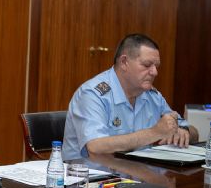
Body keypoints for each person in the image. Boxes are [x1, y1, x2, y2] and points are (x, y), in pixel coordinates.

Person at [62, 34, 198, 160]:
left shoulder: (152, 96)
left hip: (137, 178)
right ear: (124, 62)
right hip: (92, 180)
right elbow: (95, 146)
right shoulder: (92, 94)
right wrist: (155, 132)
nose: (155, 72)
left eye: (156, 66)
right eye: (147, 65)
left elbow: (193, 132)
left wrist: (182, 131)